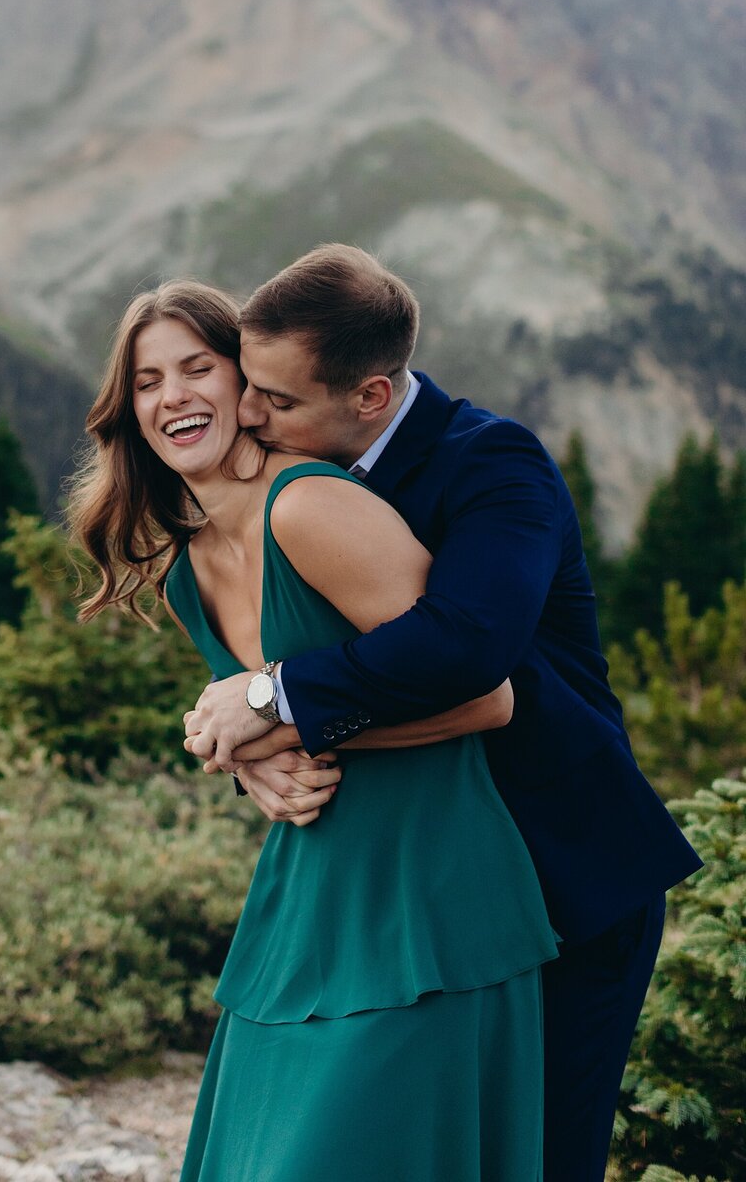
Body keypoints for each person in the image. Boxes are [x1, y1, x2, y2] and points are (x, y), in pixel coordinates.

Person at [183, 244, 702, 1182]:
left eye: (280, 399)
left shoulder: (494, 464)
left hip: (560, 862)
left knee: (536, 1154)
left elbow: (467, 646)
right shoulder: (283, 478)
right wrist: (245, 746)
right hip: (416, 890)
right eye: (248, 387)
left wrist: (273, 701)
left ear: (372, 396)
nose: (249, 414)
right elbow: (261, 640)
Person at [71, 280, 560, 1181]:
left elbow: (486, 696)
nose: (171, 395)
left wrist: (268, 730)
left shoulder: (310, 505)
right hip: (302, 906)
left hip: (427, 901)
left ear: (246, 383)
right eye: (146, 381)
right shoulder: (188, 573)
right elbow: (277, 716)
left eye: (196, 369)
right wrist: (250, 761)